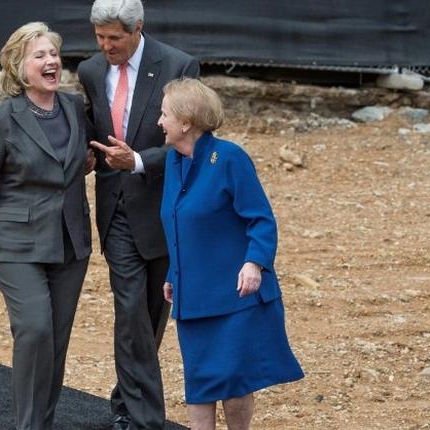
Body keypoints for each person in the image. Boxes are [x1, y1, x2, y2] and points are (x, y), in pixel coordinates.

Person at [0, 22, 92, 430]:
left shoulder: (75, 107)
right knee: (34, 330)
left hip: (70, 240)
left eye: (53, 54)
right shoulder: (1, 119)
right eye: (40, 56)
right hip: (15, 242)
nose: (51, 62)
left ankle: (42, 423)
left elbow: (82, 159)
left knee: (56, 342)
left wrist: (92, 161)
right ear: (18, 66)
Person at [76, 1, 200, 429]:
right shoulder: (92, 71)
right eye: (99, 37)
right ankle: (144, 419)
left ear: (138, 29)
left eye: (114, 38)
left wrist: (140, 161)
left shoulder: (179, 66)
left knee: (149, 314)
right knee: (130, 311)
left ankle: (126, 401)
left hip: (165, 211)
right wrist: (86, 157)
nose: (105, 46)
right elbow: (92, 131)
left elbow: (193, 140)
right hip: (116, 212)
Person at [158, 78, 304, 430]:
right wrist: (173, 274)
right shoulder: (173, 163)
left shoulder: (229, 158)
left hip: (236, 296)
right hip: (193, 298)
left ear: (186, 122)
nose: (159, 122)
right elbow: (180, 226)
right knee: (199, 383)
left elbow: (261, 219)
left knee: (235, 384)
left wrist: (255, 263)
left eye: (164, 115)